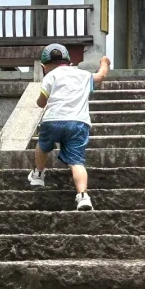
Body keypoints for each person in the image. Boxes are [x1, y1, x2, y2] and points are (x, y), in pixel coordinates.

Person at [29, 45, 110, 209]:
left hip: (52, 121)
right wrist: (104, 62)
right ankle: (83, 196)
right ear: (69, 62)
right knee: (77, 161)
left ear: (44, 67)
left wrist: (38, 102)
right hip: (78, 123)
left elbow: (42, 101)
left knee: (43, 146)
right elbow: (101, 76)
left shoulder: (50, 76)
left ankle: (38, 174)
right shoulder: (83, 74)